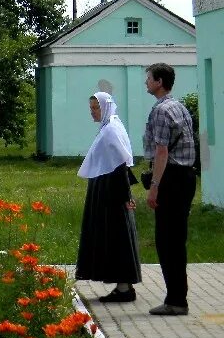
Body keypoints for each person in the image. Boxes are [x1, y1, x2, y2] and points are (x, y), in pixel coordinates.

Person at [76, 91, 142, 302]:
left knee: (116, 236)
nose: (93, 112)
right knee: (112, 235)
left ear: (106, 107)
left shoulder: (111, 130)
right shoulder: (109, 126)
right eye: (91, 108)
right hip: (107, 190)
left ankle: (124, 287)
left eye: (96, 108)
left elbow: (120, 164)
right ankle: (123, 286)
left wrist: (125, 195)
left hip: (111, 193)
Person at [144, 63, 196, 316]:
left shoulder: (161, 111)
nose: (146, 82)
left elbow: (161, 151)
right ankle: (177, 297)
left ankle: (176, 301)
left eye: (149, 78)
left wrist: (154, 186)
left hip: (171, 178)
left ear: (160, 81)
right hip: (186, 176)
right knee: (177, 240)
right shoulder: (179, 106)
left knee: (167, 241)